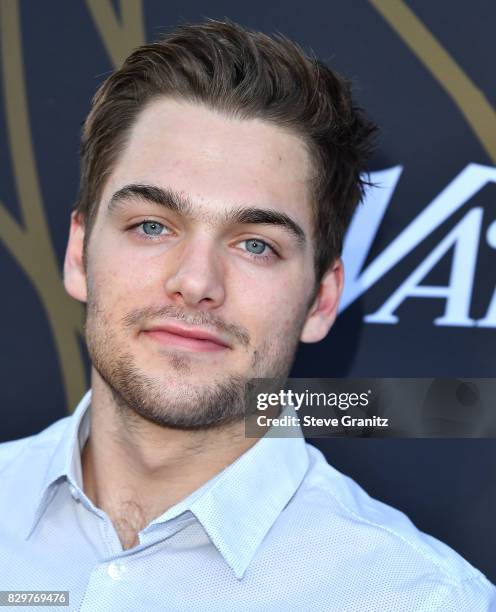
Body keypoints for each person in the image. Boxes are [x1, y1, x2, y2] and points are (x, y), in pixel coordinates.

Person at [0, 19, 494, 612]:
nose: (196, 283)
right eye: (152, 226)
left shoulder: (416, 598)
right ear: (79, 254)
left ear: (321, 300)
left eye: (255, 244)